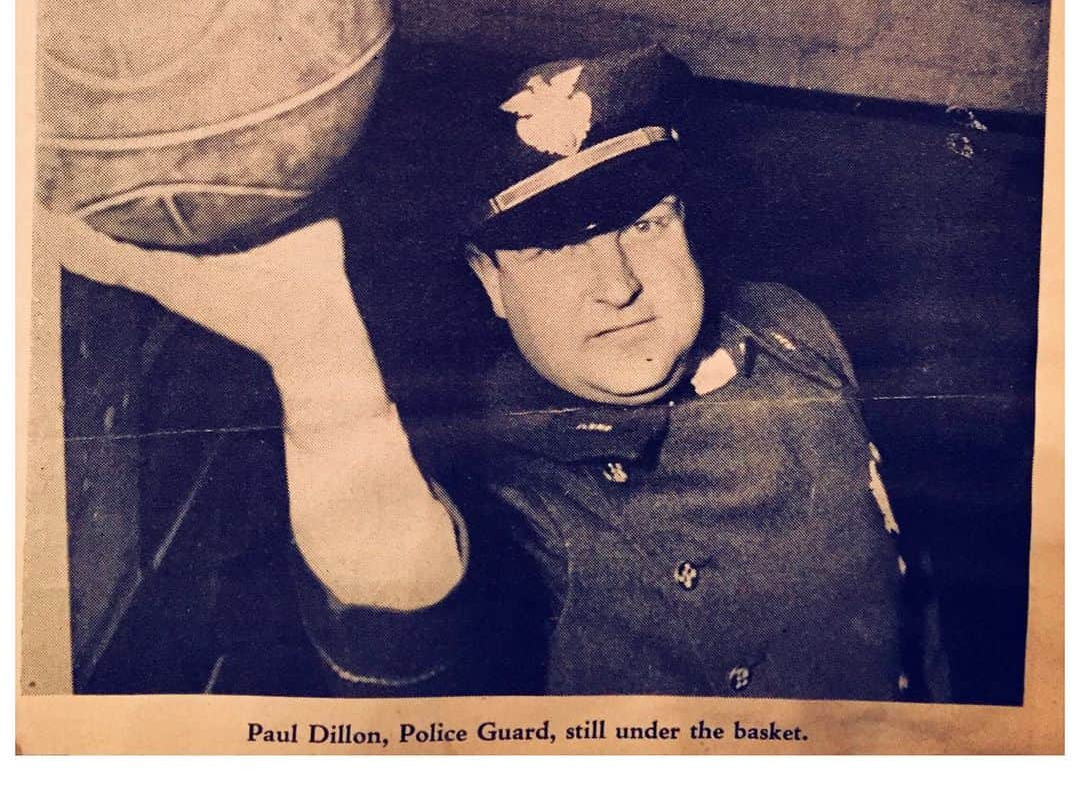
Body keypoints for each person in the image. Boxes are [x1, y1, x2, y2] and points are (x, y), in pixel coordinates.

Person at [45, 45, 944, 701]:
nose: (620, 283)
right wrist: (319, 364)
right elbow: (409, 632)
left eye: (646, 223)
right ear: (491, 284)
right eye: (555, 246)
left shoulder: (791, 328)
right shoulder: (502, 483)